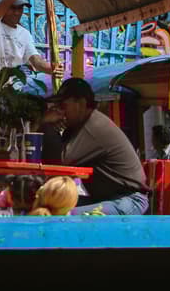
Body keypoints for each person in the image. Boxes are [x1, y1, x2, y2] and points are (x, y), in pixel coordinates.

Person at [44, 78, 148, 215]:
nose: (59, 112)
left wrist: (48, 125)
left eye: (63, 106)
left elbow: (60, 165)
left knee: (62, 215)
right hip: (109, 199)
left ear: (81, 104)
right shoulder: (78, 126)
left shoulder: (92, 127)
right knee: (52, 207)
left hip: (128, 201)